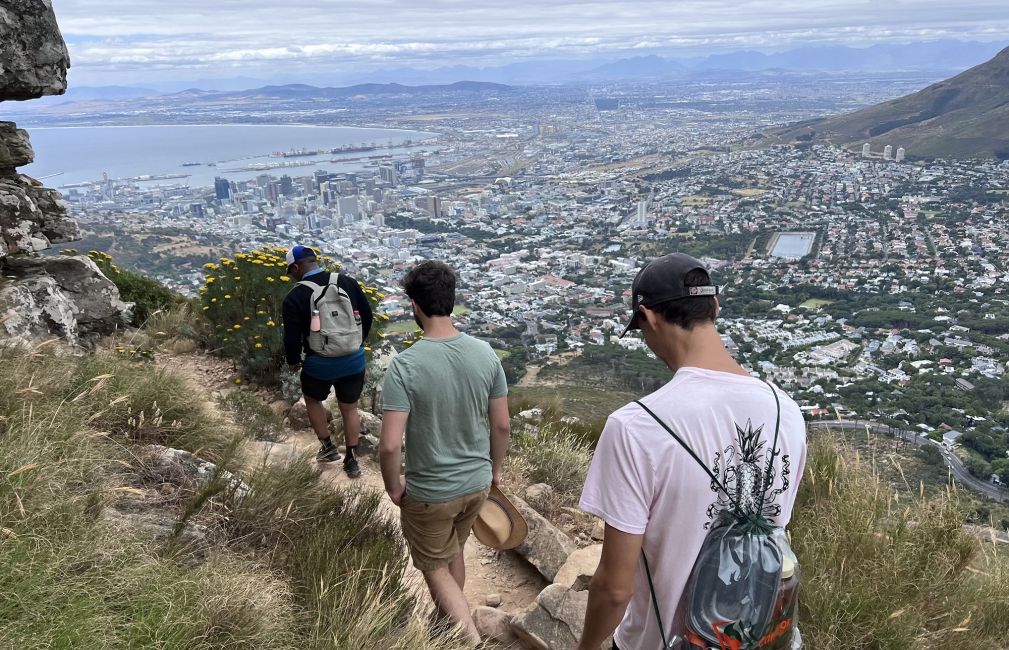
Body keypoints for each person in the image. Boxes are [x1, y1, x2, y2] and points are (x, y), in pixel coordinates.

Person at [576, 253, 807, 650]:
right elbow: (774, 525)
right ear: (714, 307)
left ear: (648, 318)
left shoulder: (635, 427)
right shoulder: (785, 410)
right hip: (760, 635)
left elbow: (615, 588)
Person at [378, 260, 511, 646]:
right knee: (453, 551)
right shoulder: (486, 354)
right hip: (476, 482)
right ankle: (444, 628)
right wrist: (495, 470)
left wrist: (393, 486)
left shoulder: (405, 367)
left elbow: (389, 444)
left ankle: (467, 638)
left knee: (435, 565)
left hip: (432, 490)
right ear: (451, 301)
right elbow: (502, 425)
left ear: (414, 306)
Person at [282, 244, 372, 478]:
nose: (291, 276)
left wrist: (293, 361)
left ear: (296, 267)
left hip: (318, 364)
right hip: (353, 361)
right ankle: (352, 461)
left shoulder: (295, 296)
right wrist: (355, 344)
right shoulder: (347, 282)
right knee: (349, 408)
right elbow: (367, 315)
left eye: (290, 271)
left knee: (312, 400)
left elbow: (291, 337)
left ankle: (327, 447)